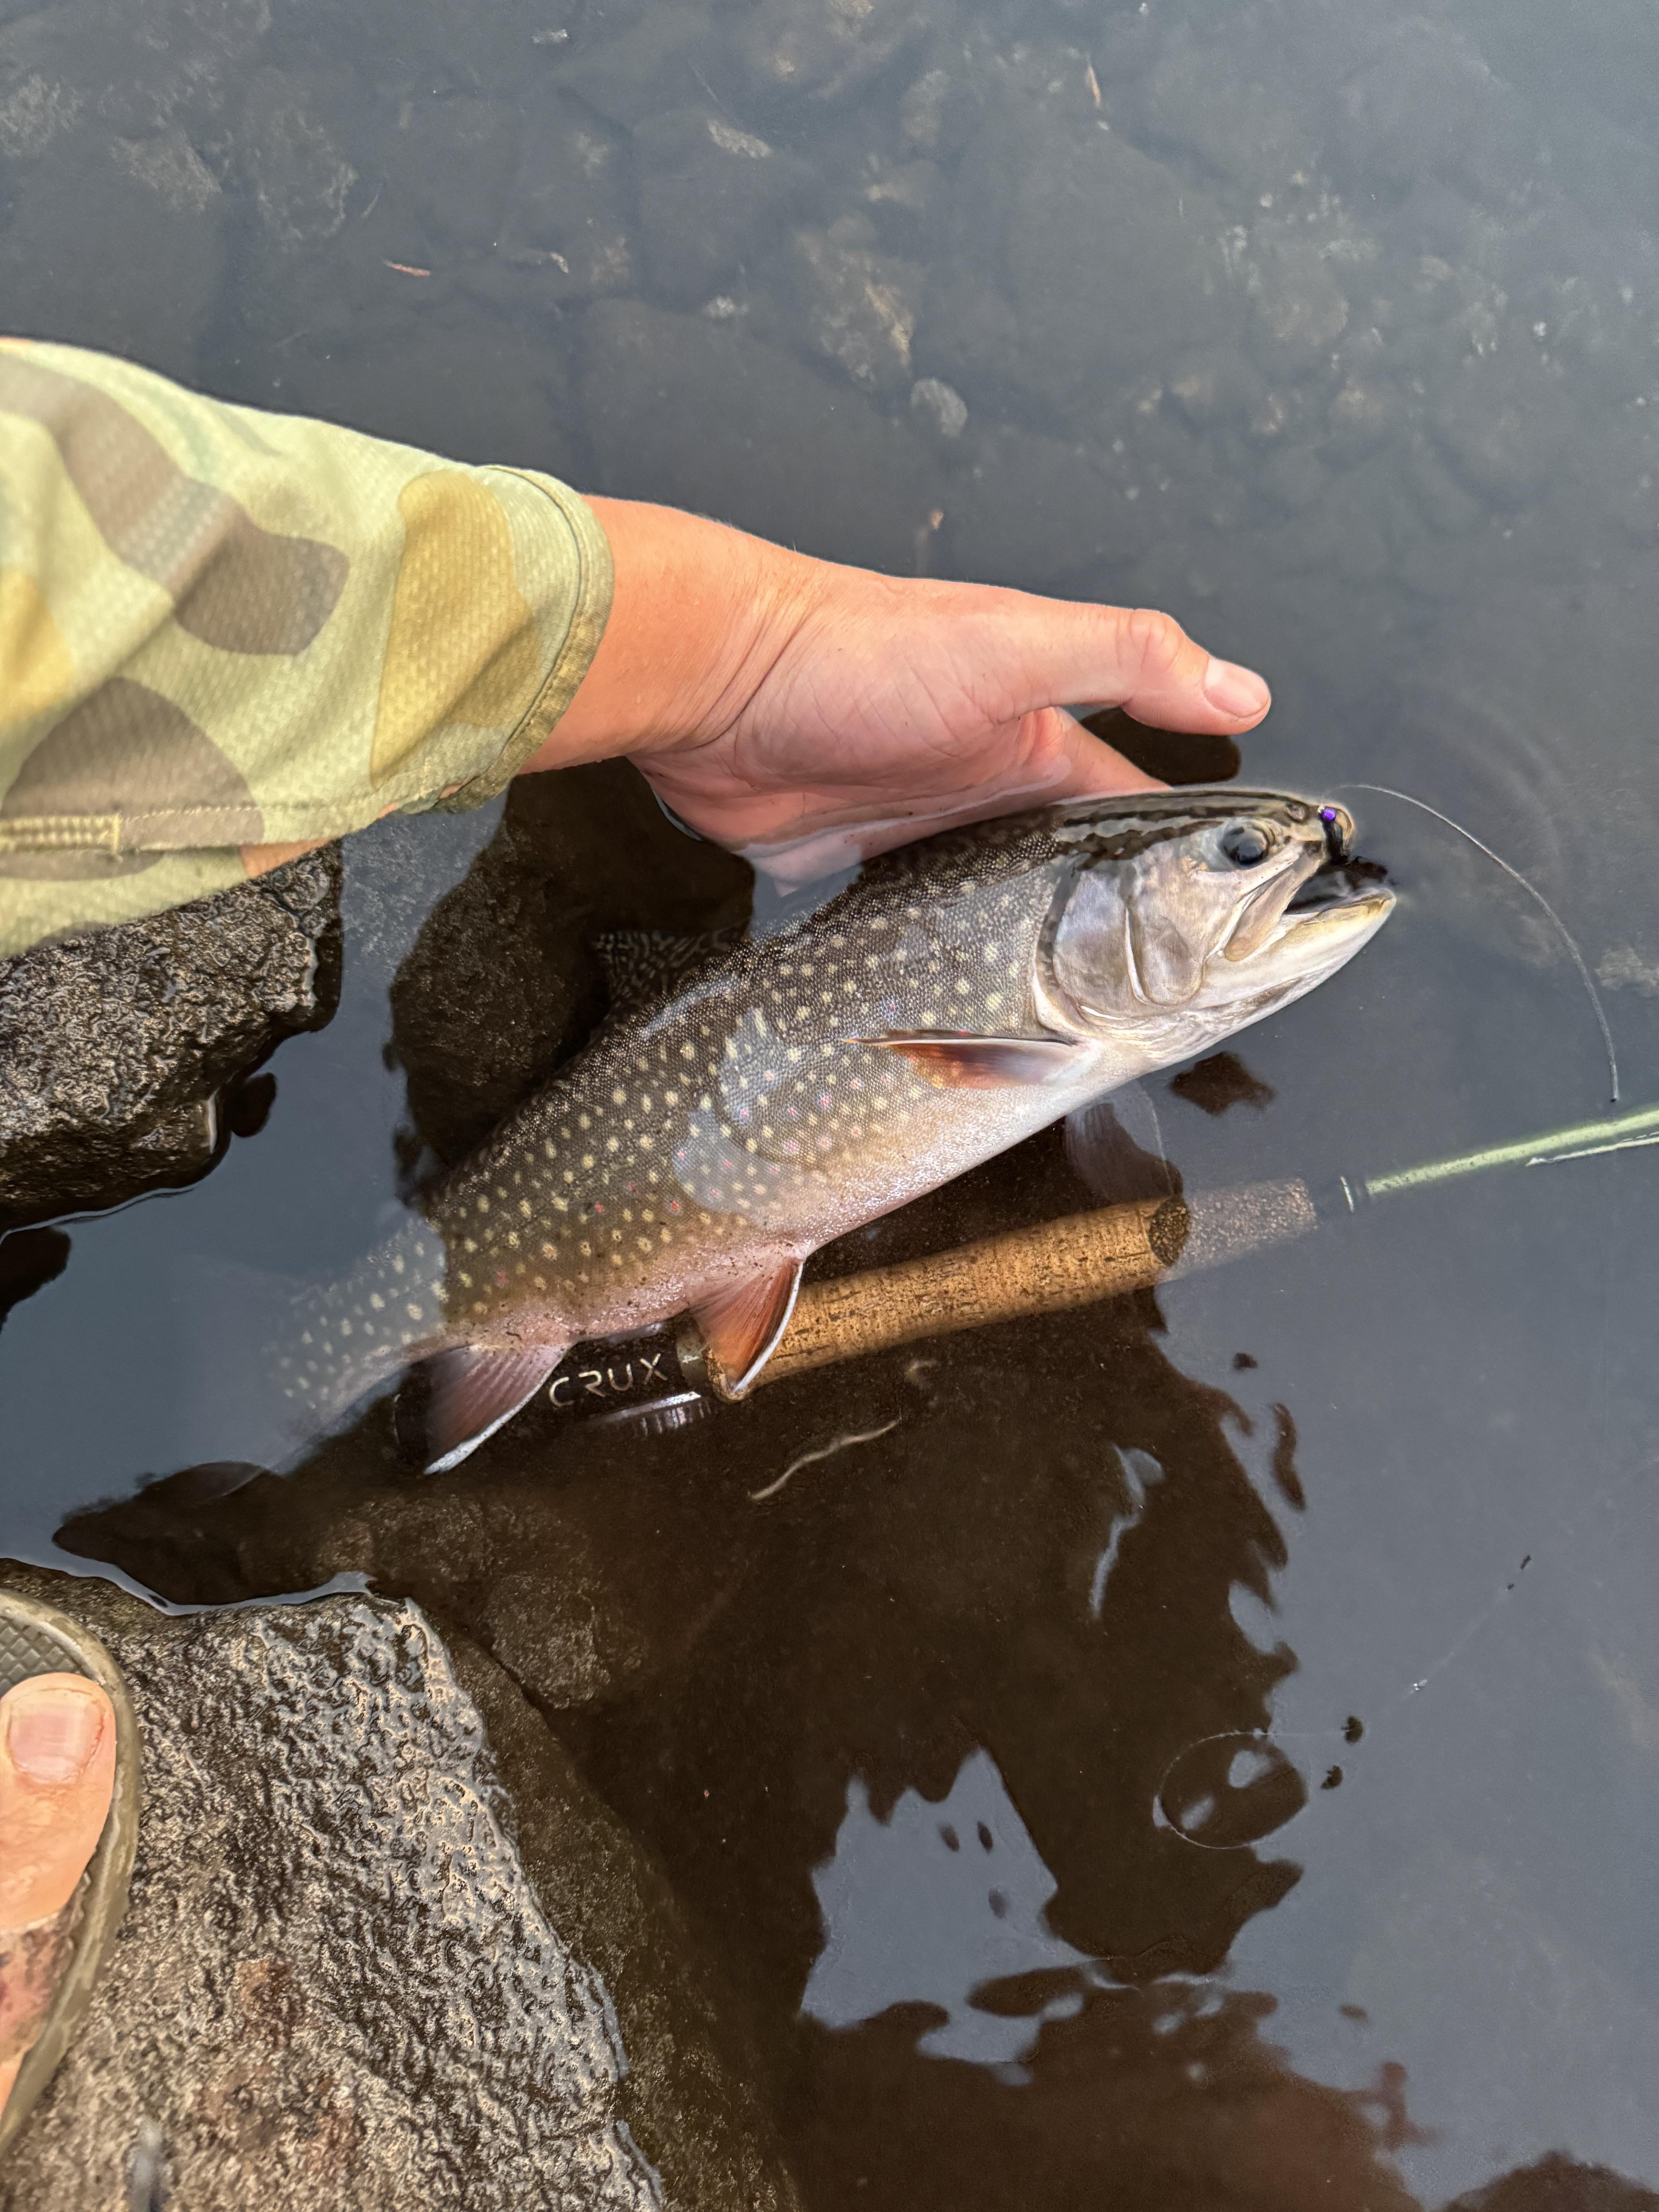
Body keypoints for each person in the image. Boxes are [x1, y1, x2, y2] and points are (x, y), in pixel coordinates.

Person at [0, 337, 1269, 2144]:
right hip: (570, 1214)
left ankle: (300, 1355)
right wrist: (732, 651)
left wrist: (740, 655)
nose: (1269, 879)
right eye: (1234, 869)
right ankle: (306, 1357)